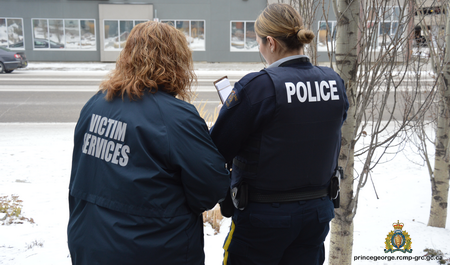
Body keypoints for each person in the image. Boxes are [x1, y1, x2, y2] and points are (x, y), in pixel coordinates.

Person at [67, 21, 230, 265]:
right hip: (154, 250)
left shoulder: (96, 104)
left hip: (90, 244)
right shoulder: (175, 117)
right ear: (176, 61)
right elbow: (212, 189)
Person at [210, 3, 349, 265]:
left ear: (271, 42)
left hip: (263, 220)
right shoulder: (334, 82)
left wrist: (225, 114)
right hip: (316, 215)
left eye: (259, 42)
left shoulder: (258, 87)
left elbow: (216, 149)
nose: (260, 48)